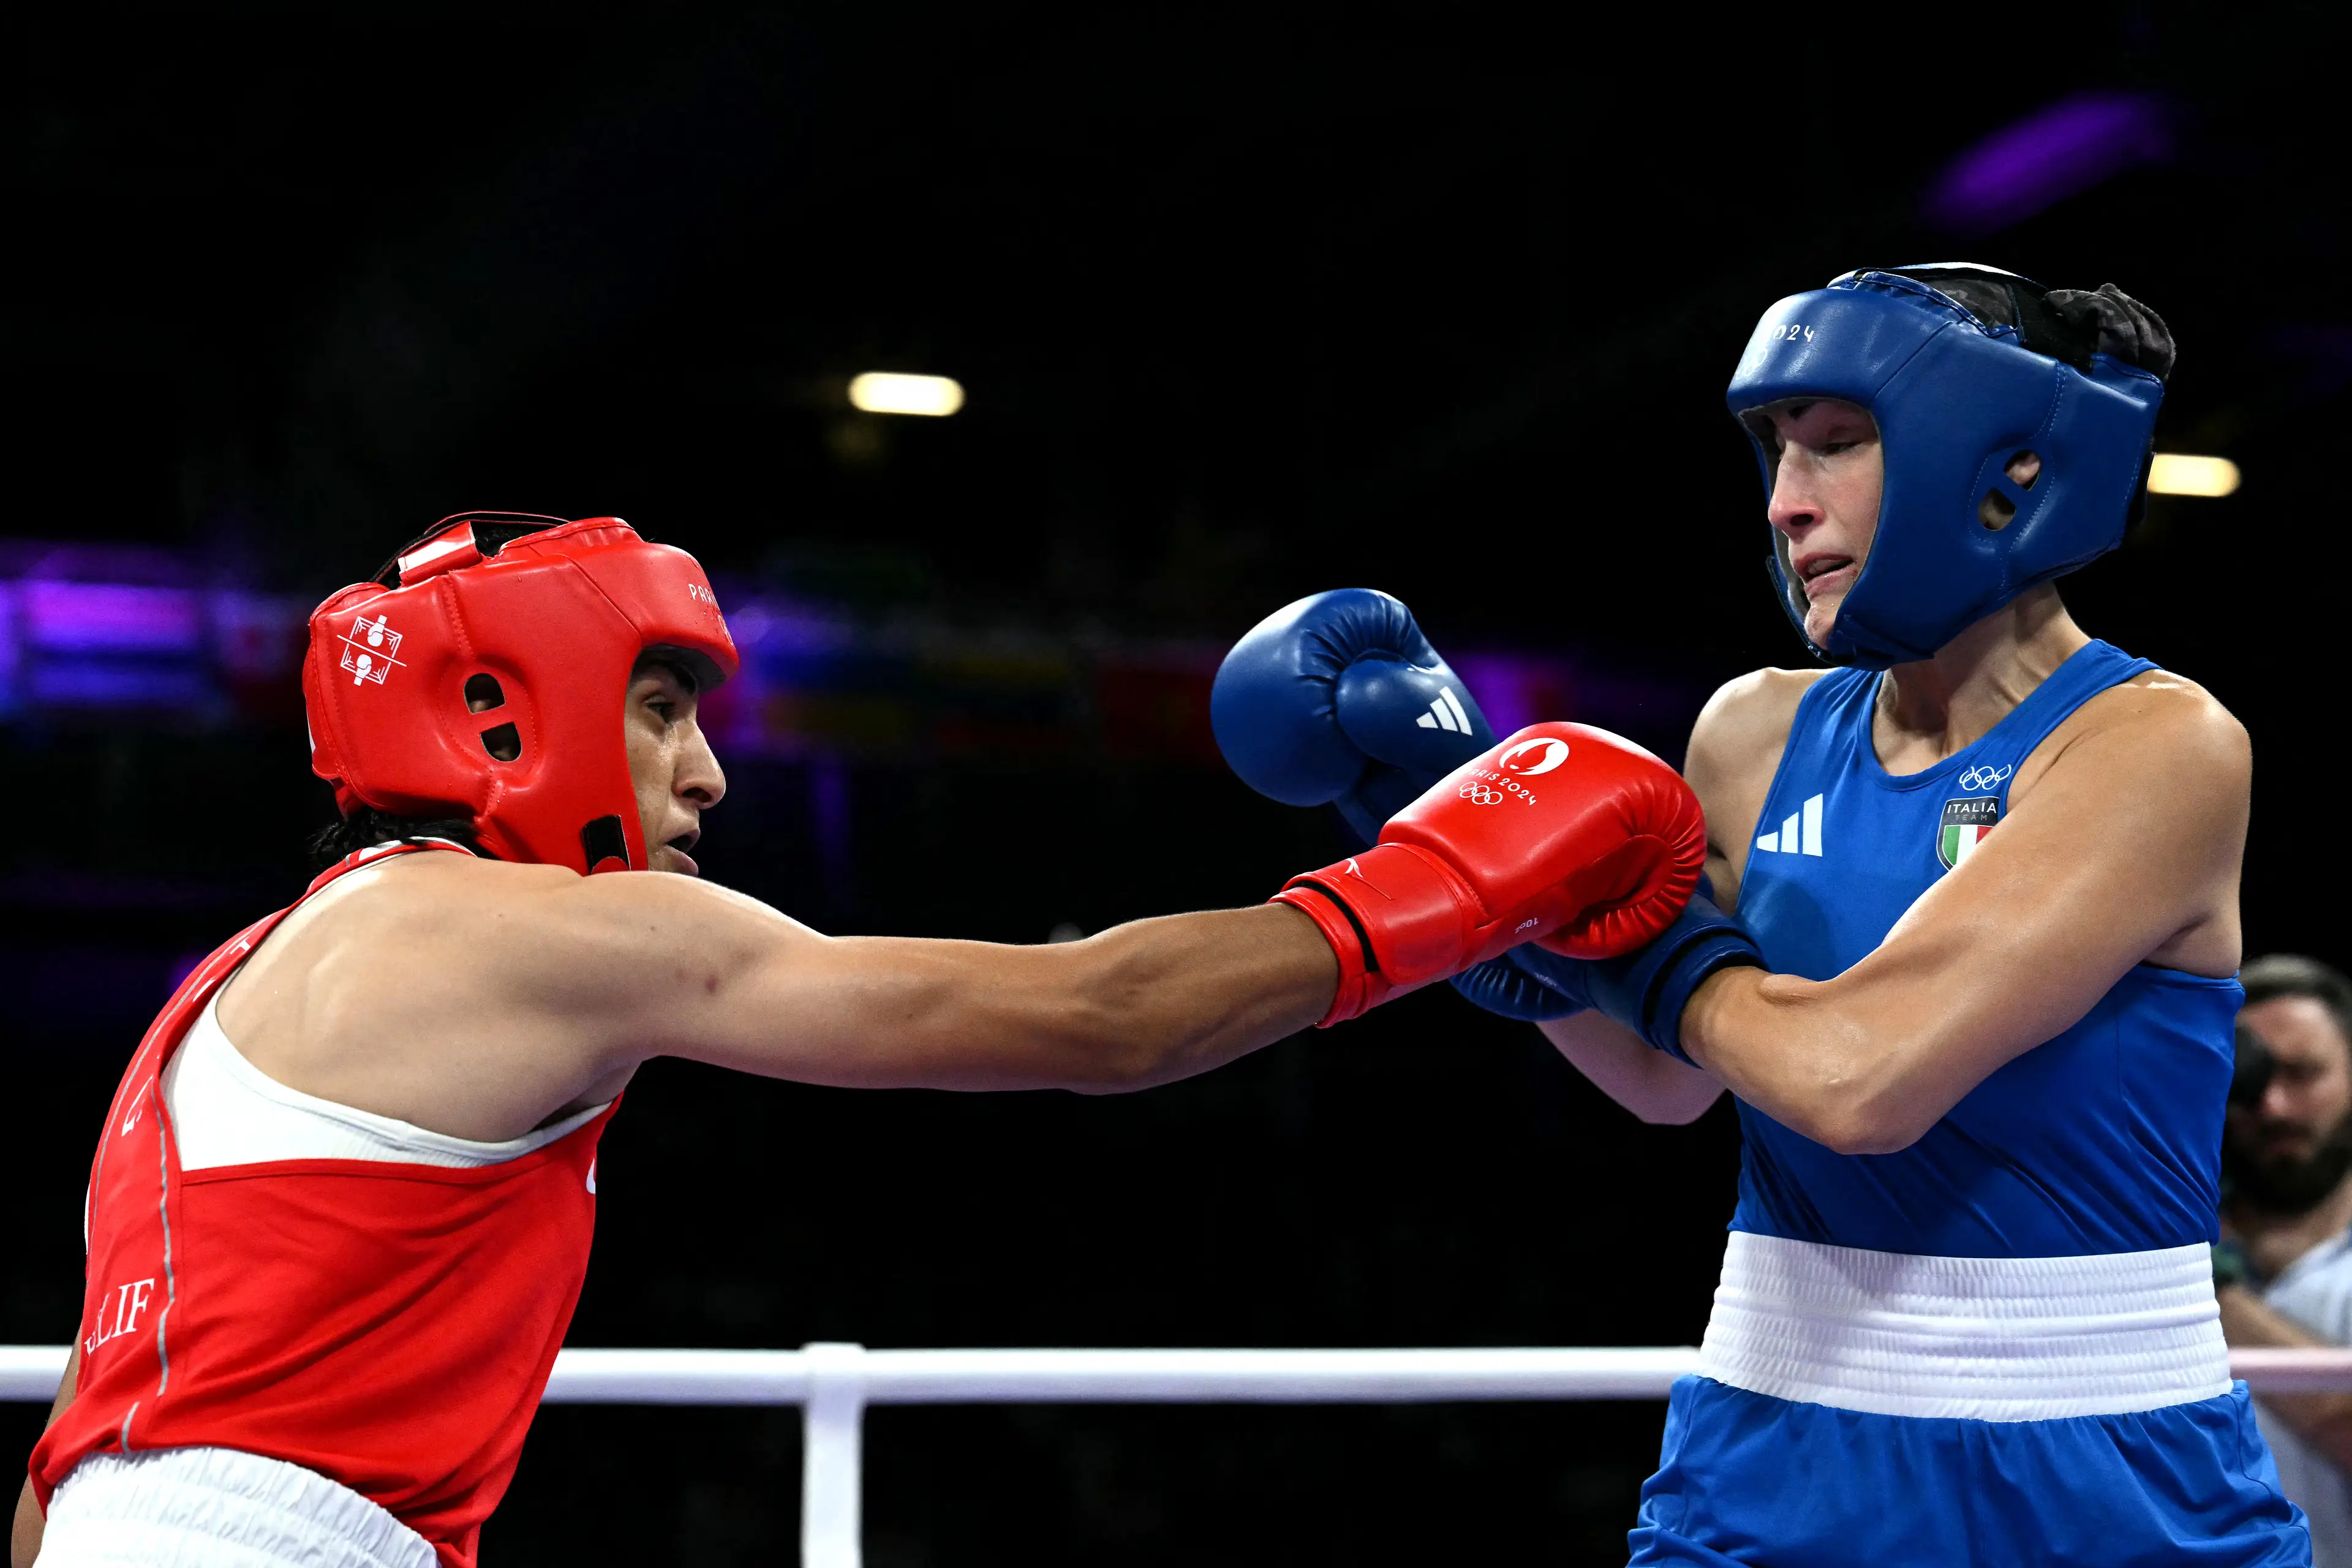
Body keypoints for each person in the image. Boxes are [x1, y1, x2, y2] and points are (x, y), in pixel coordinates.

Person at [12, 512, 1704, 1568]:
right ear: (499, 714)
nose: (708, 775)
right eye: (665, 708)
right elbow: (1092, 1020)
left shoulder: (213, 1002)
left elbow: (63, 1477)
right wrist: (1442, 880)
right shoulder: (539, 936)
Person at [1216, 266, 2306, 1564]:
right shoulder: (1754, 726)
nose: (1789, 501)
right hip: (1778, 1436)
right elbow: (1665, 1075)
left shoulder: (2155, 743)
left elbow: (1859, 1078)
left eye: (1840, 444)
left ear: (2004, 466)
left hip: (2105, 1455)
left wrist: (1620, 928)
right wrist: (1475, 875)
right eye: (1778, 451)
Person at [2219, 956, 2352, 1564]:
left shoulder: (2176, 1266)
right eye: (2247, 1080)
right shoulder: (2143, 1248)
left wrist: (2204, 1282)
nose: (2272, 1106)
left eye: (2301, 1074)